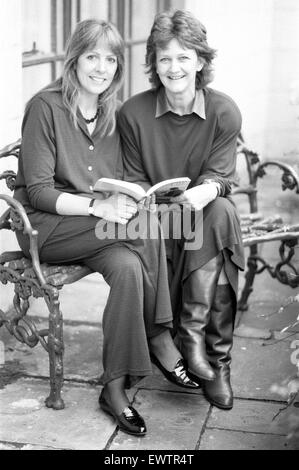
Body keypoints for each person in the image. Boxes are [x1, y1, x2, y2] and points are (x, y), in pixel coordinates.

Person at [14, 18, 199, 437]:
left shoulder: (111, 114)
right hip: (48, 228)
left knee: (130, 268)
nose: (101, 67)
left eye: (111, 59)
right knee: (144, 227)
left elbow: (114, 182)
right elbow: (40, 192)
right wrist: (102, 209)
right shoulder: (46, 108)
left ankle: (114, 388)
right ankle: (160, 338)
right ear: (74, 59)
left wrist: (134, 196)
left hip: (98, 228)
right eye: (92, 56)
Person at [118, 9, 245, 410]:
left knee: (220, 212)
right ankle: (199, 349)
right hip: (154, 221)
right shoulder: (133, 113)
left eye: (184, 57)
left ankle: (208, 354)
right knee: (217, 220)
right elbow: (135, 180)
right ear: (154, 64)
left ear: (201, 62)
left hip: (203, 216)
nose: (175, 67)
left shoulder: (224, 112)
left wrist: (206, 191)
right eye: (165, 58)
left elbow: (222, 177)